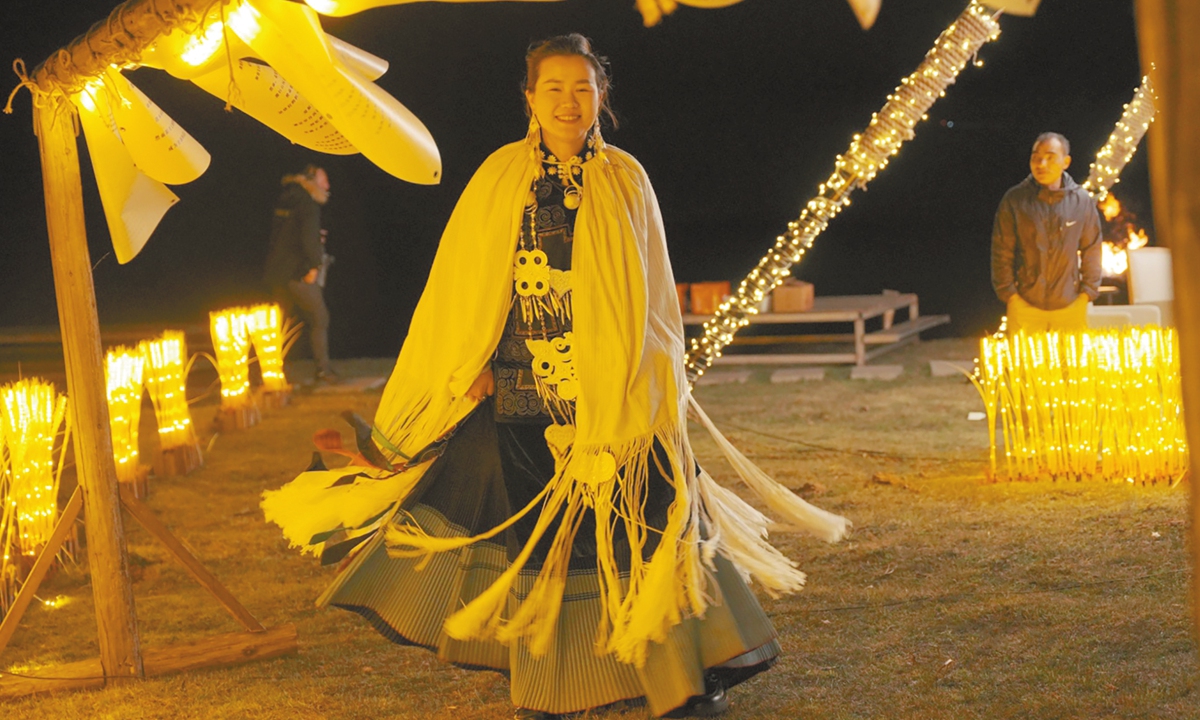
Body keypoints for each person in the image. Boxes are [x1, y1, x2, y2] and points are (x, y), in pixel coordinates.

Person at [263, 35, 847, 719]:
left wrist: (657, 380)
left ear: (600, 95)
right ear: (530, 98)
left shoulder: (627, 177)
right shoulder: (499, 177)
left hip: (622, 394)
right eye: (553, 89)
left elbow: (654, 295)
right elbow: (464, 283)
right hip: (523, 398)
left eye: (582, 87)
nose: (568, 102)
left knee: (653, 532)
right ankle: (556, 689)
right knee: (551, 548)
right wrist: (469, 360)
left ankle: (679, 682)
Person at [991, 132, 1103, 333]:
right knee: (1026, 365)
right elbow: (1001, 252)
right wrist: (1011, 296)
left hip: (1070, 306)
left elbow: (1092, 248)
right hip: (1025, 305)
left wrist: (1086, 294)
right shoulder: (1015, 200)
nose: (1041, 164)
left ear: (1065, 162)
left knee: (1071, 365)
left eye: (1050, 157)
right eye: (1036, 157)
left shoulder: (1081, 201)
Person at [263, 165, 338, 382]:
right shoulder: (308, 205)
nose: (327, 186)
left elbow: (286, 235)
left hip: (277, 272)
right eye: (324, 180)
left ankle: (271, 372)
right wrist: (314, 266)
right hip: (298, 272)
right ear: (312, 181)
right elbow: (306, 240)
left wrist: (315, 235)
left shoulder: (286, 198)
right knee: (320, 317)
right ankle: (323, 369)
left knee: (280, 325)